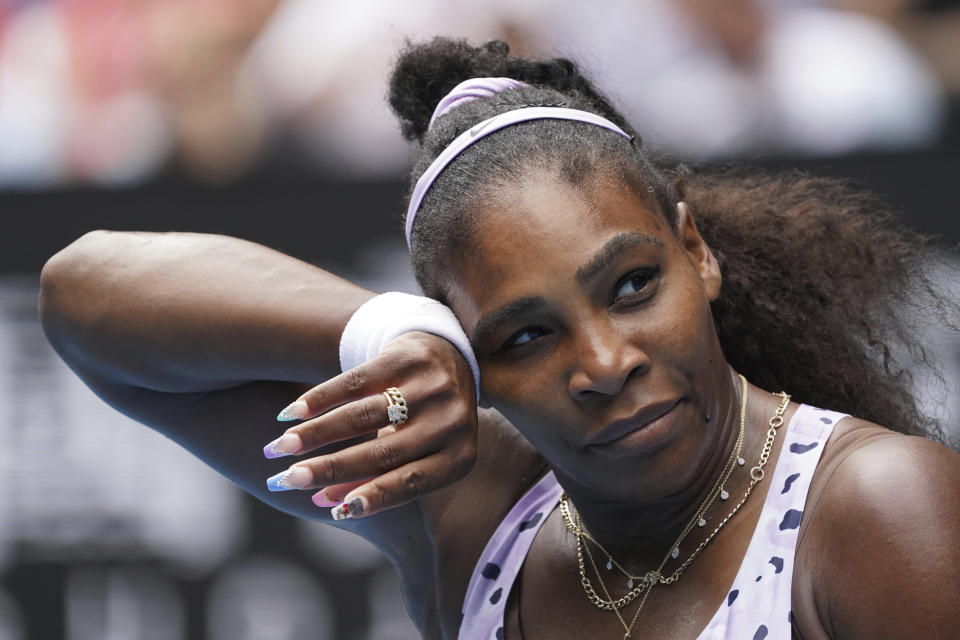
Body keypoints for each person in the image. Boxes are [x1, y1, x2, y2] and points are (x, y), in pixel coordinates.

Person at [39, 38, 959, 639]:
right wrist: (387, 332)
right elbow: (80, 292)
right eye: (525, 336)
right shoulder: (475, 514)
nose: (605, 363)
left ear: (697, 252)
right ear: (469, 356)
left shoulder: (879, 510)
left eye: (633, 286)